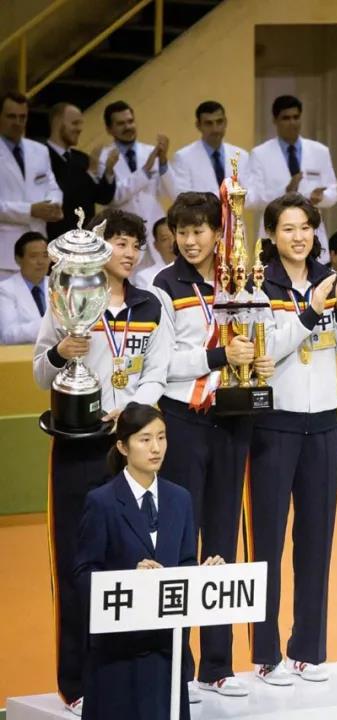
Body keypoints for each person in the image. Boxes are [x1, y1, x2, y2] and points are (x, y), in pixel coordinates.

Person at [34, 208, 171, 716]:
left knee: (131, 563)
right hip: (78, 448)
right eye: (119, 242)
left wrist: (132, 412)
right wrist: (60, 352)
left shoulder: (151, 303)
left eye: (136, 244)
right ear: (97, 247)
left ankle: (122, 673)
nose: (129, 253)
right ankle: (75, 683)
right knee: (78, 564)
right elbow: (39, 373)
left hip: (130, 451)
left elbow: (158, 371)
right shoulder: (67, 295)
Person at [151, 191, 274, 698]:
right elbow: (164, 364)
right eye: (182, 232)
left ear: (219, 233)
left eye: (199, 230)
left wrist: (260, 361)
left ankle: (217, 664)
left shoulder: (239, 281)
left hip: (234, 419)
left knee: (223, 539)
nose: (190, 240)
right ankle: (174, 664)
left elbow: (261, 335)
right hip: (184, 420)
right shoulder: (164, 286)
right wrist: (221, 355)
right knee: (180, 542)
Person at [248, 193, 337, 686]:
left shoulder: (331, 279)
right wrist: (311, 313)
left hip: (324, 423)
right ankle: (265, 653)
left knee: (316, 539)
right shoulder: (258, 285)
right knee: (267, 540)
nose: (298, 237)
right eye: (288, 228)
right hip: (274, 423)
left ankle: (308, 650)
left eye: (305, 228)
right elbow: (266, 350)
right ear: (272, 235)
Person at [74, 403, 225, 720]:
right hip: (117, 658)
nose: (156, 448)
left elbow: (184, 563)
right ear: (122, 446)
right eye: (145, 439)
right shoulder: (101, 502)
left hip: (165, 654)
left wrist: (203, 575)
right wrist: (129, 577)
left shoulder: (180, 499)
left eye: (161, 437)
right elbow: (83, 575)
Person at [249, 95, 337, 261]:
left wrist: (320, 198)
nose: (292, 123)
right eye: (286, 118)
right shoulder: (260, 154)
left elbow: (333, 193)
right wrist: (285, 192)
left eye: (296, 117)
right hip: (275, 234)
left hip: (312, 232)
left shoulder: (320, 151)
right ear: (275, 120)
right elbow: (253, 199)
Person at [97, 101, 174, 274]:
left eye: (130, 121)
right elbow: (114, 196)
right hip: (125, 234)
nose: (128, 127)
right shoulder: (104, 158)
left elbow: (171, 192)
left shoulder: (150, 151)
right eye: (121, 123)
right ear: (109, 129)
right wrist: (145, 170)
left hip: (155, 232)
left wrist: (163, 163)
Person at [0, 91, 62, 277]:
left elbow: (52, 187)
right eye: (11, 117)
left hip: (38, 246)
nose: (18, 122)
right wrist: (30, 210)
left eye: (22, 117)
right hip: (4, 253)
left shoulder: (39, 150)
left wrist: (53, 205)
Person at [45, 102, 116, 238]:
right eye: (75, 123)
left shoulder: (82, 158)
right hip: (59, 240)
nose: (80, 129)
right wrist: (91, 173)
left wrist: (109, 170)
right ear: (57, 123)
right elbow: (64, 198)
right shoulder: (41, 157)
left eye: (80, 124)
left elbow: (104, 198)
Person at [169, 101, 251, 197]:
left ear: (225, 122)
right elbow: (183, 197)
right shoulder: (183, 158)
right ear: (198, 125)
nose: (215, 129)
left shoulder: (241, 156)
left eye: (219, 122)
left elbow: (250, 194)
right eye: (209, 123)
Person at [0, 231, 50, 344]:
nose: (41, 262)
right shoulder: (5, 289)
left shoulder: (59, 285)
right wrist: (50, 324)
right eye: (33, 256)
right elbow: (8, 334)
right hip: (22, 353)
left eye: (45, 256)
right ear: (18, 259)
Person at [134, 218, 176, 289]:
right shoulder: (145, 277)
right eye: (165, 239)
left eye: (175, 236)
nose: (172, 243)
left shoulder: (193, 268)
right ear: (156, 246)